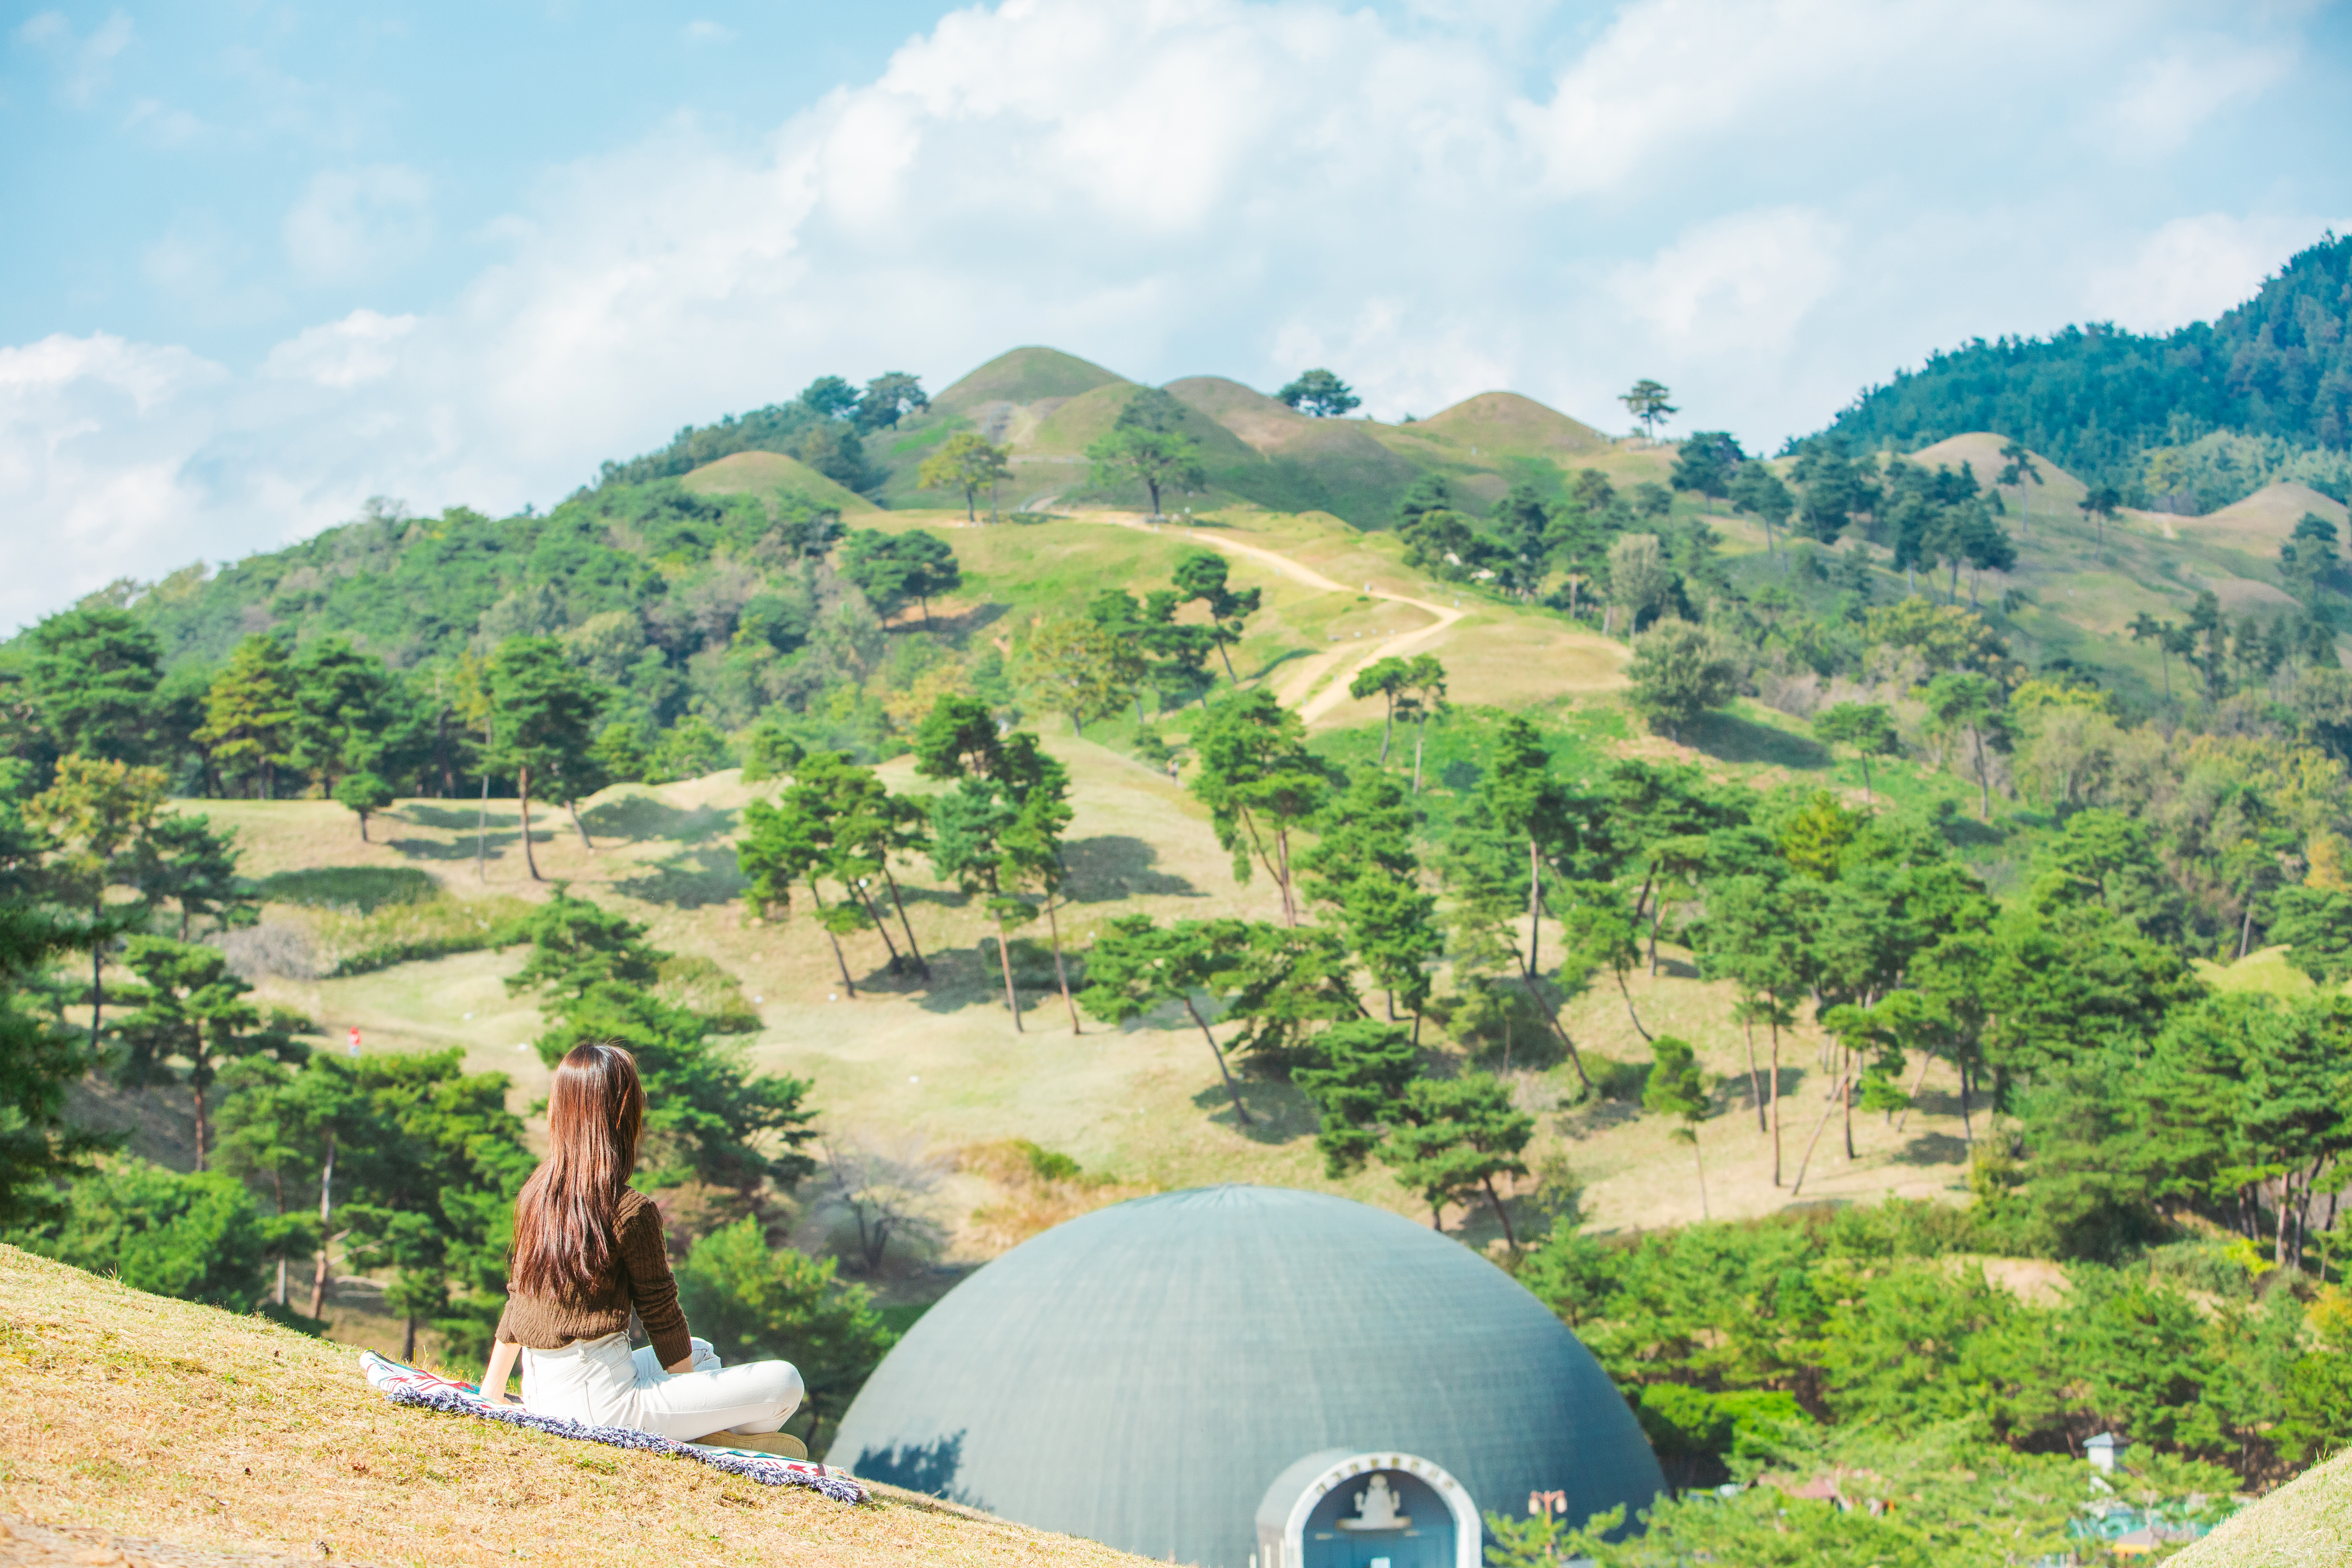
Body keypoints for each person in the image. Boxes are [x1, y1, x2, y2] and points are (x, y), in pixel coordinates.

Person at [478, 1042, 805, 1454]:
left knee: (702, 1352)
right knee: (786, 1381)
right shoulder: (631, 1211)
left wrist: (492, 1390)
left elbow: (519, 1296)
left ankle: (702, 1429)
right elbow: (660, 1311)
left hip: (546, 1392)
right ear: (621, 1115)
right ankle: (712, 1439)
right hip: (603, 1406)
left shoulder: (537, 1194)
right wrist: (693, 1393)